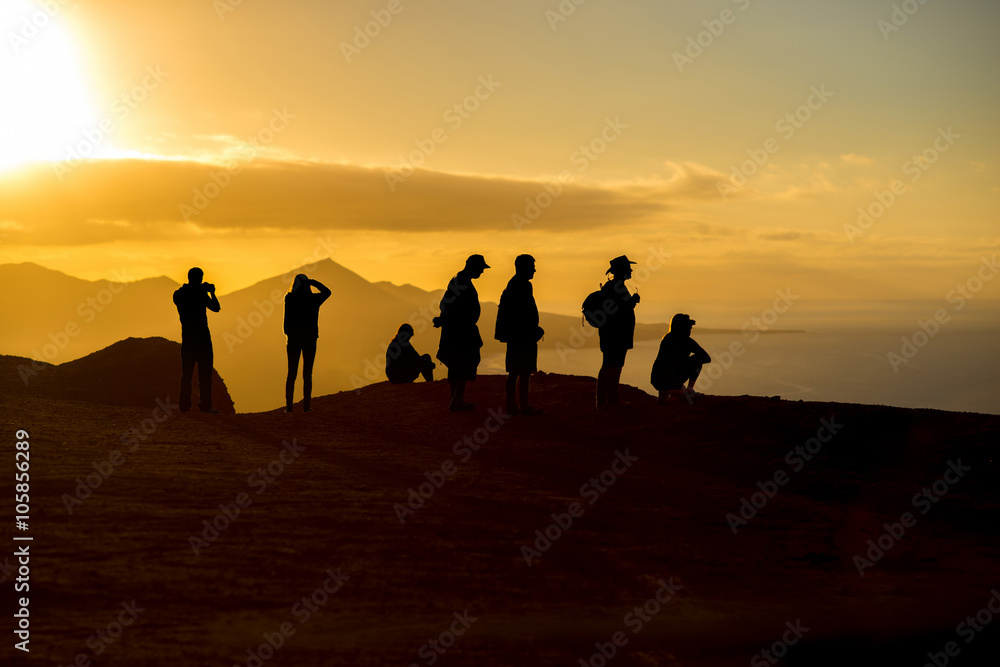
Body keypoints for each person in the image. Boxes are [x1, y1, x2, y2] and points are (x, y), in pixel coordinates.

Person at [434, 254, 489, 411]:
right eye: (481, 268)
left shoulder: (461, 280)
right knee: (462, 364)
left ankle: (456, 399)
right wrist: (443, 319)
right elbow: (447, 304)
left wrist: (442, 319)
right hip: (460, 332)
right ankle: (456, 400)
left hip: (459, 330)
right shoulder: (461, 281)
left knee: (458, 365)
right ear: (474, 267)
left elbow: (446, 304)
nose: (482, 272)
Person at [495, 254, 543, 415]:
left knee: (520, 371)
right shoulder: (520, 285)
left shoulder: (517, 284)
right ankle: (520, 405)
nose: (534, 270)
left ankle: (517, 405)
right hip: (522, 336)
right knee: (520, 371)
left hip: (520, 335)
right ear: (523, 267)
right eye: (532, 266)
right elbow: (521, 313)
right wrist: (532, 330)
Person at [173, 267, 221, 413]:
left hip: (187, 339)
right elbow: (216, 307)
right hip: (203, 339)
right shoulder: (200, 294)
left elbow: (186, 296)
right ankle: (206, 405)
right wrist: (211, 292)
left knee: (186, 374)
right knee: (205, 374)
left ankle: (184, 405)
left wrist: (201, 289)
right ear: (199, 279)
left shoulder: (178, 294)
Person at [596, 255, 640, 409]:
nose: (631, 270)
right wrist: (633, 301)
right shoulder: (618, 287)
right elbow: (621, 310)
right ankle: (609, 401)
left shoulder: (612, 286)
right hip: (616, 334)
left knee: (609, 365)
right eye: (628, 268)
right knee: (613, 366)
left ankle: (604, 401)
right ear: (622, 270)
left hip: (611, 333)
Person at [283, 274, 331, 412]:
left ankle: (289, 407)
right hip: (310, 339)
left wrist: (289, 333)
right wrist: (313, 282)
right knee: (307, 374)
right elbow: (327, 292)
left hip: (293, 339)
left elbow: (286, 321)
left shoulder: (290, 298)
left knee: (292, 373)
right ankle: (306, 407)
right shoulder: (314, 299)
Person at [650, 313, 712, 404]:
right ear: (682, 327)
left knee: (668, 371)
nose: (690, 328)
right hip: (672, 379)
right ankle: (688, 392)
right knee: (698, 359)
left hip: (656, 380)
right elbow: (706, 358)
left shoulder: (666, 338)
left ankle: (668, 393)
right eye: (688, 326)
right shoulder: (687, 341)